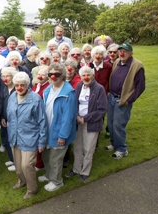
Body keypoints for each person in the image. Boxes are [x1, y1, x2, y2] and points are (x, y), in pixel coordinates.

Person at [7, 72, 48, 199]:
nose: (19, 88)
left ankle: (32, 189)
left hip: (30, 137)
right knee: (18, 167)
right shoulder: (12, 96)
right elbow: (9, 114)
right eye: (17, 85)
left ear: (27, 85)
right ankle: (22, 181)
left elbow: (42, 121)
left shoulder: (35, 99)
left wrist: (42, 142)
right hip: (15, 137)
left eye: (22, 85)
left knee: (27, 165)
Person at [65, 66, 107, 182]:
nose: (86, 77)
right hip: (79, 122)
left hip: (92, 123)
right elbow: (75, 103)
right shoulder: (79, 86)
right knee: (78, 147)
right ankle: (76, 169)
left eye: (88, 75)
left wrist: (86, 118)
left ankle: (85, 172)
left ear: (93, 76)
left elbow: (102, 109)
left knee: (88, 149)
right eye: (83, 75)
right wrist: (77, 116)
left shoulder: (99, 89)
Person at [40, 63, 77, 192]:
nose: (53, 77)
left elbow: (69, 117)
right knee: (46, 155)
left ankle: (56, 182)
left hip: (59, 131)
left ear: (62, 76)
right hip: (47, 129)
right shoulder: (48, 89)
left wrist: (63, 135)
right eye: (50, 74)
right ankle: (49, 175)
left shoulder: (69, 93)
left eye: (56, 75)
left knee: (55, 158)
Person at [106, 42, 145, 159]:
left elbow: (140, 87)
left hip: (122, 100)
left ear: (131, 53)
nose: (122, 53)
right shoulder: (117, 62)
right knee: (110, 124)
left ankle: (122, 149)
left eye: (125, 51)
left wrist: (129, 100)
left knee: (118, 125)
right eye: (120, 51)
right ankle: (114, 143)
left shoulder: (137, 65)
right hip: (112, 97)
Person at [31, 66, 50, 171]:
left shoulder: (48, 87)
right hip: (34, 116)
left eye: (43, 74)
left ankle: (40, 164)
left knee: (41, 141)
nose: (40, 76)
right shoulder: (36, 85)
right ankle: (37, 162)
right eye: (39, 74)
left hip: (42, 116)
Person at [0, 67, 17, 171]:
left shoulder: (17, 88)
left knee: (14, 141)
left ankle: (16, 162)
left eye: (8, 76)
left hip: (15, 120)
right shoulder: (4, 88)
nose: (6, 78)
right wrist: (3, 117)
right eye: (4, 76)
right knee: (7, 139)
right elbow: (2, 103)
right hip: (5, 118)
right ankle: (11, 159)